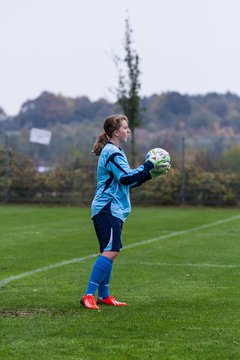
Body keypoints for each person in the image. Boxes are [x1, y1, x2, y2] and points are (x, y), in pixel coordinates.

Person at [80, 114, 170, 310]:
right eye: (125, 127)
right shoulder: (112, 152)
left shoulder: (115, 150)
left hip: (113, 208)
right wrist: (149, 165)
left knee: (108, 251)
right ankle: (88, 295)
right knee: (112, 251)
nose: (128, 130)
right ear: (115, 132)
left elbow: (128, 181)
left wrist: (150, 174)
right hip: (107, 207)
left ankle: (103, 296)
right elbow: (126, 179)